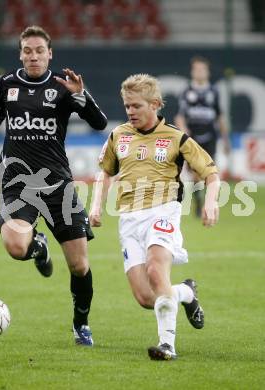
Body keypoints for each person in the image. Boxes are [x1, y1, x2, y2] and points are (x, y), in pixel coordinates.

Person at [0, 25, 107, 346]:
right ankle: (37, 245)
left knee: (79, 266)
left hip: (58, 185)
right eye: (28, 50)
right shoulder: (6, 83)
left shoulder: (64, 86)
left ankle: (81, 323)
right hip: (17, 182)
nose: (33, 56)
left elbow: (99, 123)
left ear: (49, 53)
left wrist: (81, 95)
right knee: (15, 246)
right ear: (20, 53)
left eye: (39, 50)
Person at [89, 74, 220, 360]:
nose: (130, 112)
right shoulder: (118, 135)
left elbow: (211, 173)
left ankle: (167, 346)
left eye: (136, 106)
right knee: (147, 298)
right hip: (128, 219)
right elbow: (104, 172)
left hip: (164, 211)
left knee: (155, 270)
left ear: (156, 104)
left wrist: (210, 203)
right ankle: (185, 292)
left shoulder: (176, 137)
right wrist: (96, 206)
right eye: (127, 106)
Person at [175, 56, 229, 217]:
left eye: (202, 69)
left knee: (210, 171)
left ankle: (208, 202)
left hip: (210, 136)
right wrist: (185, 133)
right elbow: (180, 116)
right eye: (196, 69)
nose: (199, 72)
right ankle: (200, 203)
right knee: (196, 173)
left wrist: (226, 140)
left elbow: (220, 116)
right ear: (192, 72)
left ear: (207, 72)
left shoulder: (214, 92)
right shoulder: (186, 92)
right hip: (193, 139)